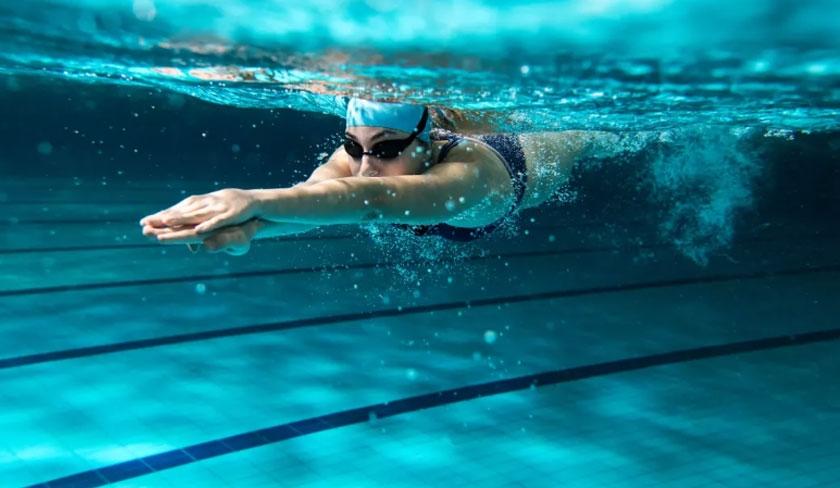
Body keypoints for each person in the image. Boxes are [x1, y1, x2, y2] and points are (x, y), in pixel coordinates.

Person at [140, 97, 616, 255]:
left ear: (427, 142)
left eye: (386, 149)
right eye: (354, 146)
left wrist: (248, 198)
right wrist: (250, 230)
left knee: (594, 135)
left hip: (532, 156)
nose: (365, 165)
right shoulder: (361, 158)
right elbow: (312, 200)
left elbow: (376, 199)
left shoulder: (470, 175)